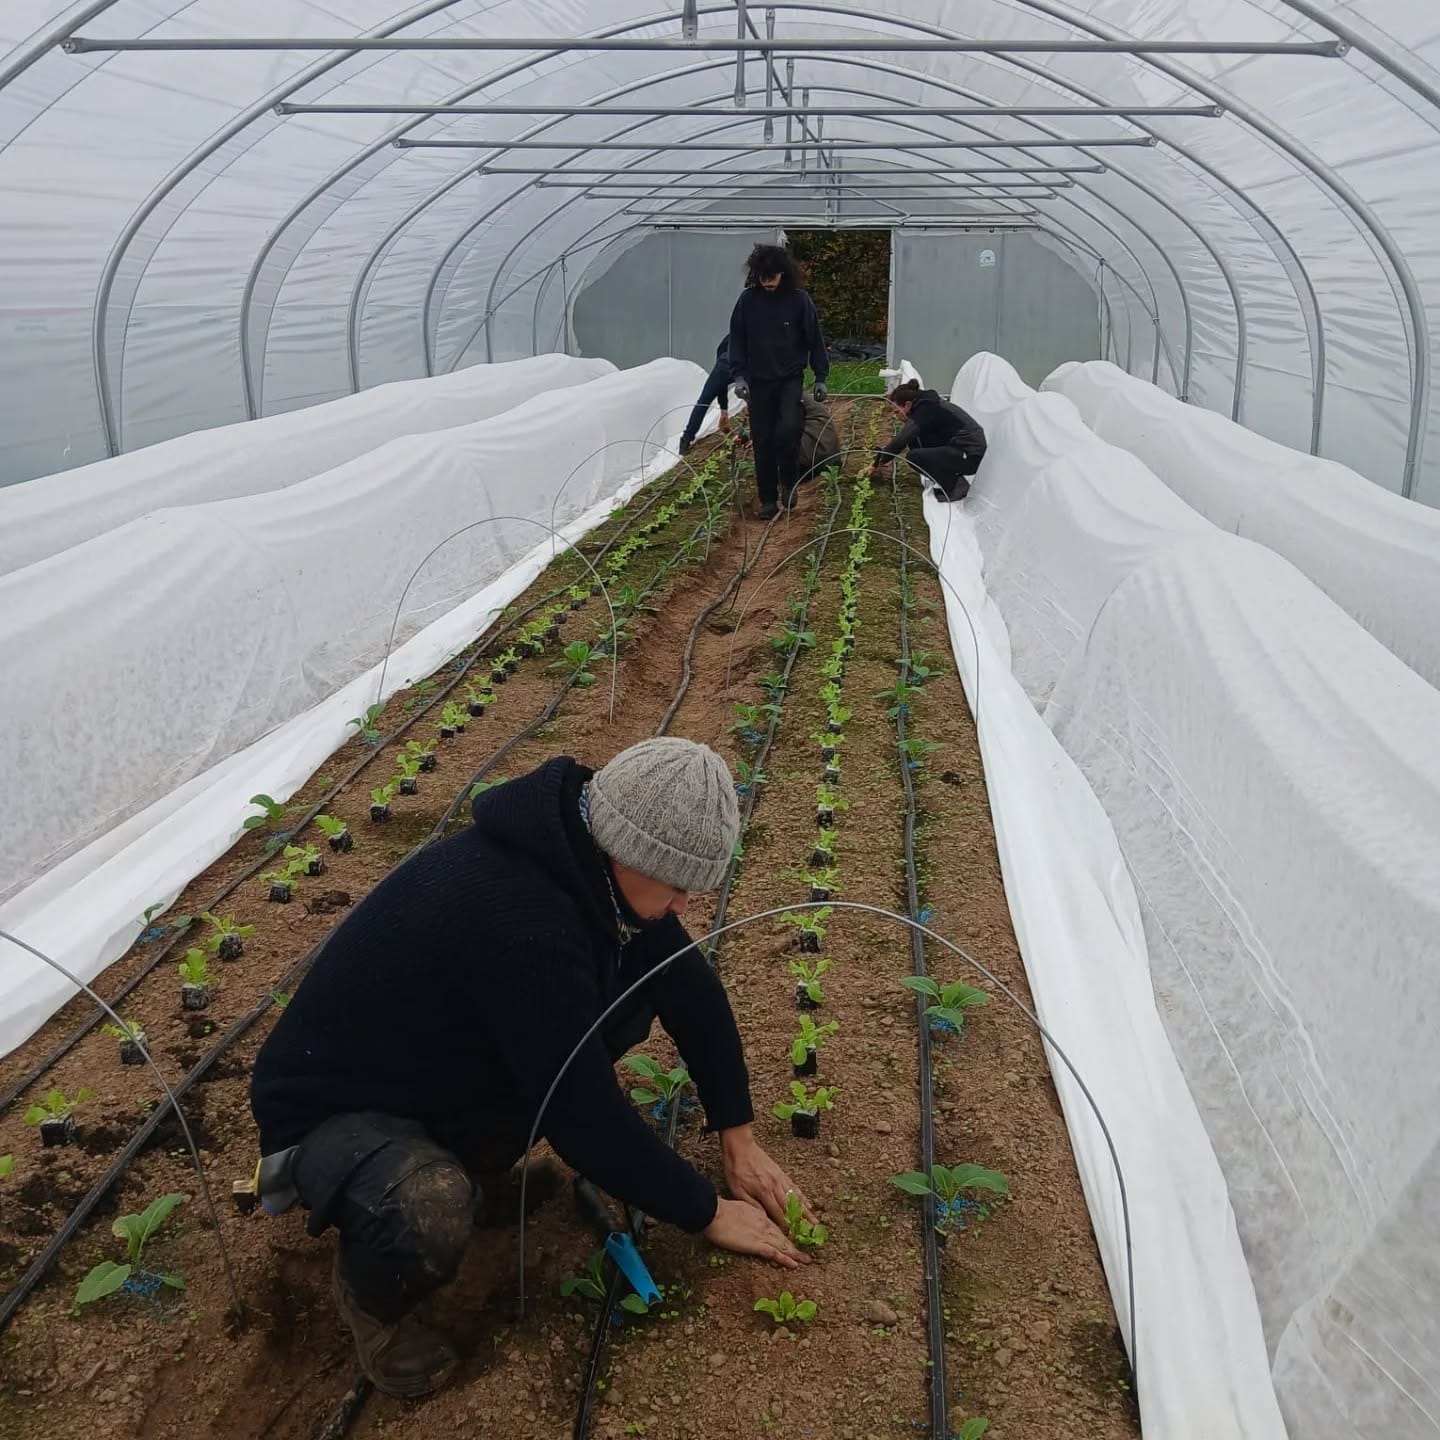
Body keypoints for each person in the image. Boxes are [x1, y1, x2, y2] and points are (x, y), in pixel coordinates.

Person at [249, 738, 812, 1398]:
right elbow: (583, 1117)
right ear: (630, 854)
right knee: (427, 1207)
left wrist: (737, 1138)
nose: (685, 904)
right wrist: (704, 1210)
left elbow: (686, 986)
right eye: (678, 886)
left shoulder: (588, 856)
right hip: (329, 1112)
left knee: (618, 1011)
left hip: (422, 1067)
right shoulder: (524, 924)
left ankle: (467, 1166)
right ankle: (375, 1303)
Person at [727, 243, 830, 520]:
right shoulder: (748, 302)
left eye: (772, 276)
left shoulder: (799, 301)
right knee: (762, 440)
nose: (768, 282)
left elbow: (814, 340)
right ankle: (768, 499)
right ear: (756, 275)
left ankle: (789, 482)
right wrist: (739, 376)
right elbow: (736, 341)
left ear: (783, 273)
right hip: (759, 382)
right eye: (762, 276)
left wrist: (821, 376)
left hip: (789, 378)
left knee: (787, 430)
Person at [870, 379, 987, 501]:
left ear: (908, 405)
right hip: (958, 450)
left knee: (914, 457)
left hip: (969, 455)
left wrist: (877, 463)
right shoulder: (926, 405)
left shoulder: (927, 409)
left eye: (896, 411)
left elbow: (901, 439)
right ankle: (951, 480)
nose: (896, 416)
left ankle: (956, 486)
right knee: (916, 442)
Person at [678, 336, 733, 456]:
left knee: (703, 402)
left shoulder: (734, 333)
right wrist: (724, 409)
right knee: (755, 399)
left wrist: (724, 409)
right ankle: (756, 435)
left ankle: (686, 440)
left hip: (724, 364)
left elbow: (721, 384)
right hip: (744, 365)